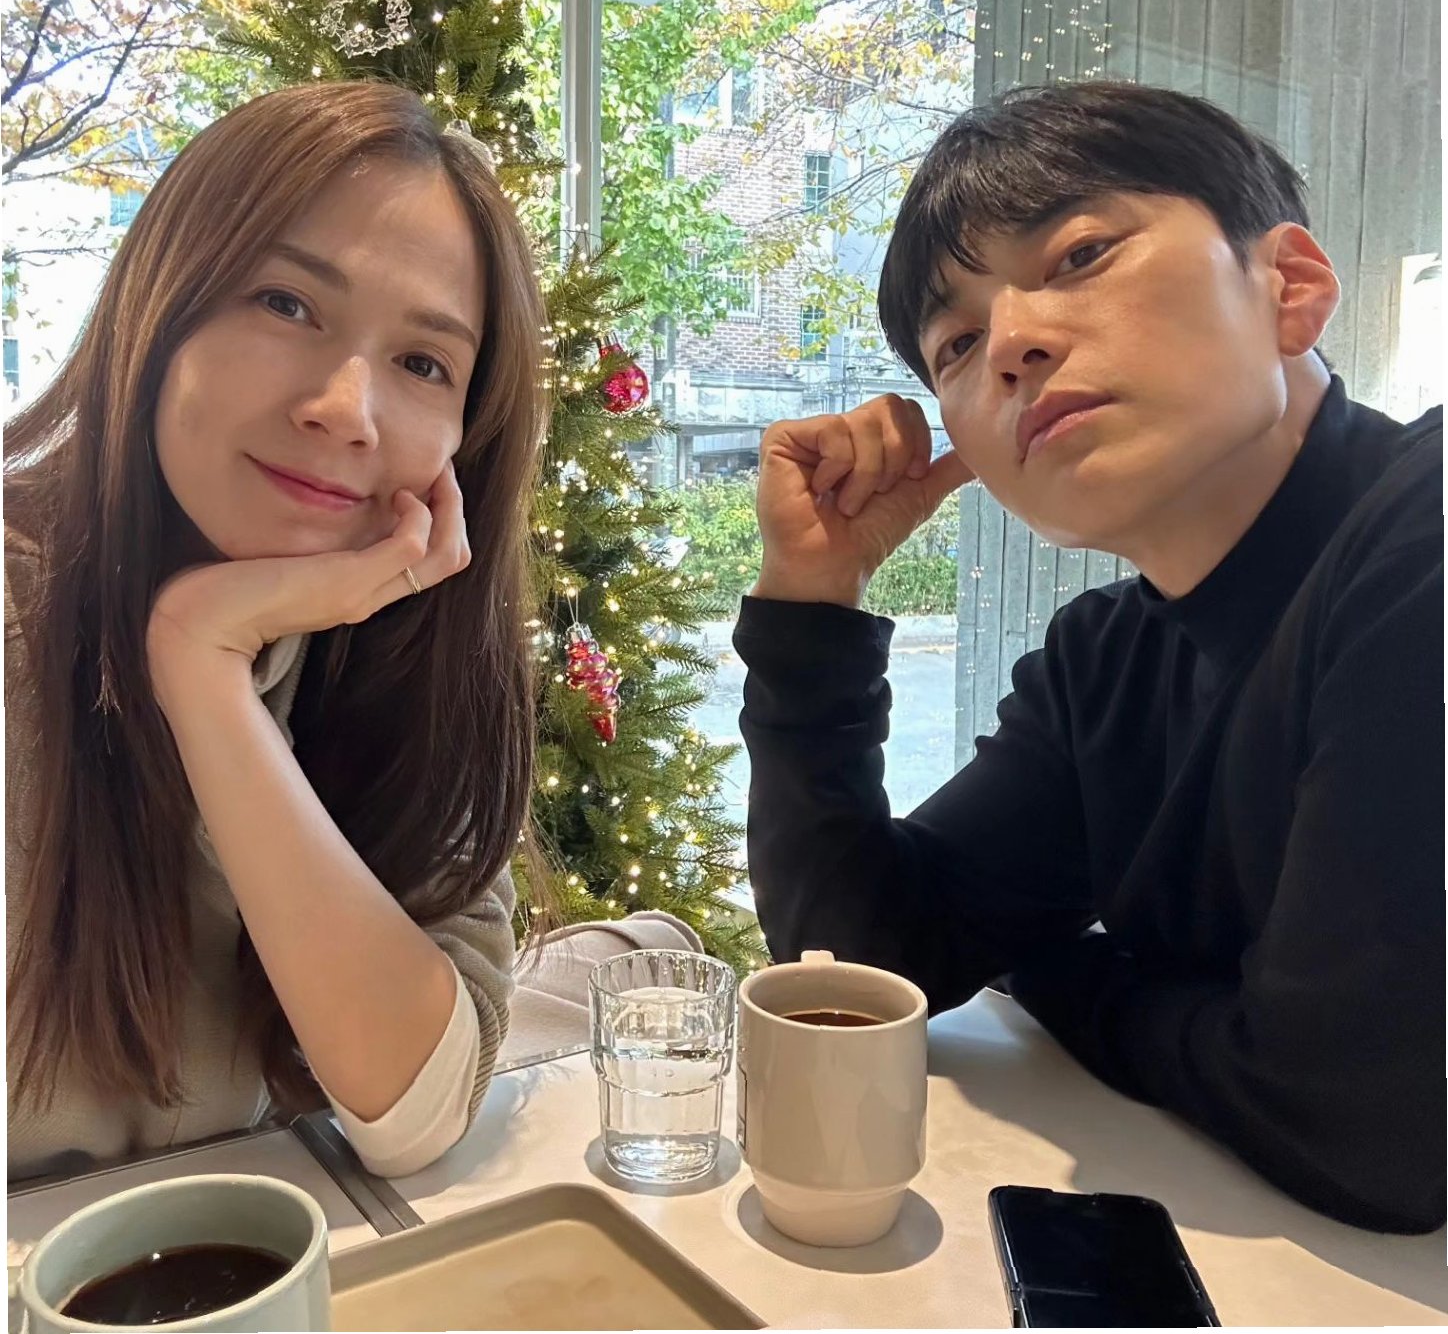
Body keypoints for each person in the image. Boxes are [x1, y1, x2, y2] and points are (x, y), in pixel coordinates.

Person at [735, 81, 1444, 1233]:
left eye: (1077, 255)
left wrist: (1059, 968)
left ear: (1289, 285)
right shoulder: (1106, 660)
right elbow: (863, 958)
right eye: (957, 342)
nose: (1011, 342)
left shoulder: (1426, 539)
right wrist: (812, 604)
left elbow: (1360, 1123)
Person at [3, 80, 698, 1183]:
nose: (345, 407)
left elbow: (412, 1109)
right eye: (285, 303)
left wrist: (203, 663)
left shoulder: (416, 650)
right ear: (160, 303)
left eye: (423, 363)